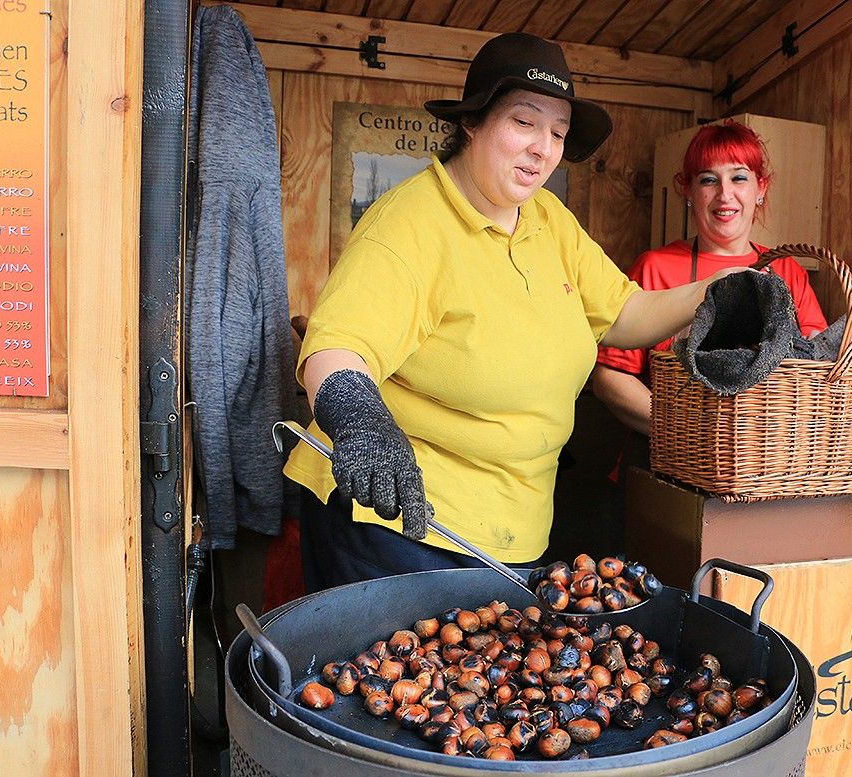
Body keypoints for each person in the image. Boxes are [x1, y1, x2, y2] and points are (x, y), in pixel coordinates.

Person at [283, 32, 744, 592]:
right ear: (473, 122)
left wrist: (717, 288)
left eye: (558, 132)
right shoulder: (410, 223)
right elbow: (336, 345)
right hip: (395, 524)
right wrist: (358, 416)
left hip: (511, 533)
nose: (543, 148)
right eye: (524, 122)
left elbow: (626, 314)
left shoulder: (548, 218)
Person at [593, 121, 828, 438]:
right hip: (672, 460)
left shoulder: (786, 271)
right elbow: (610, 378)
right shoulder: (656, 267)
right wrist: (684, 431)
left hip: (766, 461)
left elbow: (821, 363)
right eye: (708, 180)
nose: (724, 194)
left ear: (761, 188)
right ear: (688, 190)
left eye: (739, 177)